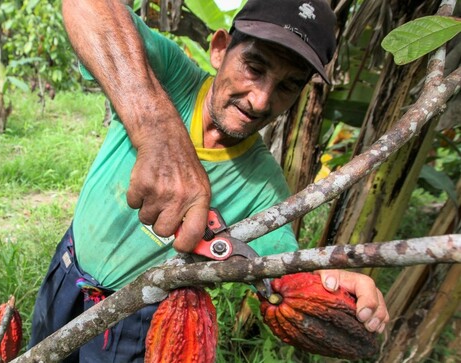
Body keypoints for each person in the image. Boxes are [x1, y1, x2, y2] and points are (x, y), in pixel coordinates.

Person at [30, 0, 390, 361]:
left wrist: (327, 285)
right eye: (254, 67)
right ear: (219, 50)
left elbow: (281, 270)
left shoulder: (264, 188)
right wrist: (158, 132)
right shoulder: (170, 78)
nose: (261, 100)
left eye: (287, 86)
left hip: (136, 319)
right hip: (69, 268)